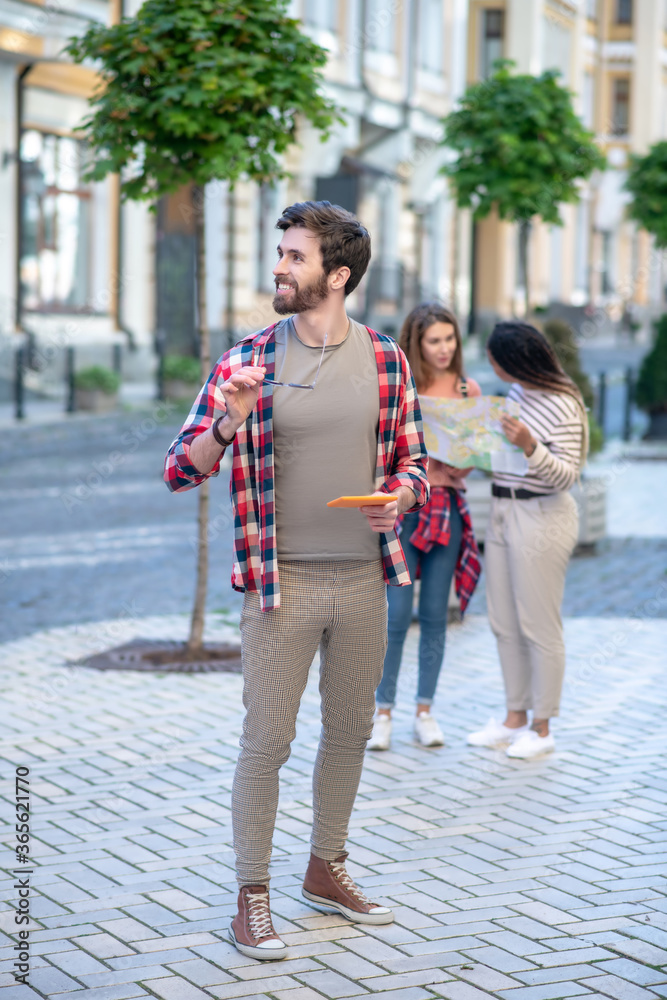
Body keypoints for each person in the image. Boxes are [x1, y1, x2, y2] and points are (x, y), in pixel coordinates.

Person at [164, 201, 429, 961]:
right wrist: (227, 421)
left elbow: (412, 463)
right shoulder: (246, 360)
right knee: (268, 741)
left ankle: (325, 867)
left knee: (347, 732)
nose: (279, 267)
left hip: (367, 579)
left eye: (295, 256)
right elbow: (180, 469)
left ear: (336, 275)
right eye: (280, 253)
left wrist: (402, 497)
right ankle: (252, 896)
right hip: (279, 586)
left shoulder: (385, 358)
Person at [467, 321, 587, 760]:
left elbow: (566, 476)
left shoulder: (563, 402)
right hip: (503, 510)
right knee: (504, 621)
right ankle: (514, 717)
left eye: (497, 359)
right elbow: (502, 461)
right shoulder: (515, 394)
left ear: (515, 360)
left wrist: (531, 444)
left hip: (542, 514)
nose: (493, 366)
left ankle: (542, 727)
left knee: (539, 624)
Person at [369, 304, 482, 751]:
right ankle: (383, 712)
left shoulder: (464, 388)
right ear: (416, 342)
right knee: (396, 617)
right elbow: (386, 449)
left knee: (436, 615)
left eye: (449, 339)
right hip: (406, 508)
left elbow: (472, 460)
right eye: (434, 340)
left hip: (448, 508)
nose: (444, 348)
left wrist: (457, 461)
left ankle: (425, 711)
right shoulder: (402, 385)